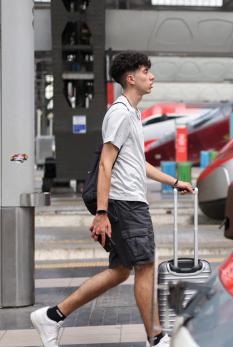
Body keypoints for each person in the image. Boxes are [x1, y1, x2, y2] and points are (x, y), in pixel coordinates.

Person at [30, 51, 193, 347]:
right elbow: (107, 163)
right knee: (145, 265)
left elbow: (137, 163)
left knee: (119, 271)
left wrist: (174, 182)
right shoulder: (119, 112)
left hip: (126, 201)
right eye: (146, 71)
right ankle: (156, 338)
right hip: (125, 203)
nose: (151, 76)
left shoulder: (131, 113)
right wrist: (102, 212)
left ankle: (52, 316)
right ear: (131, 78)